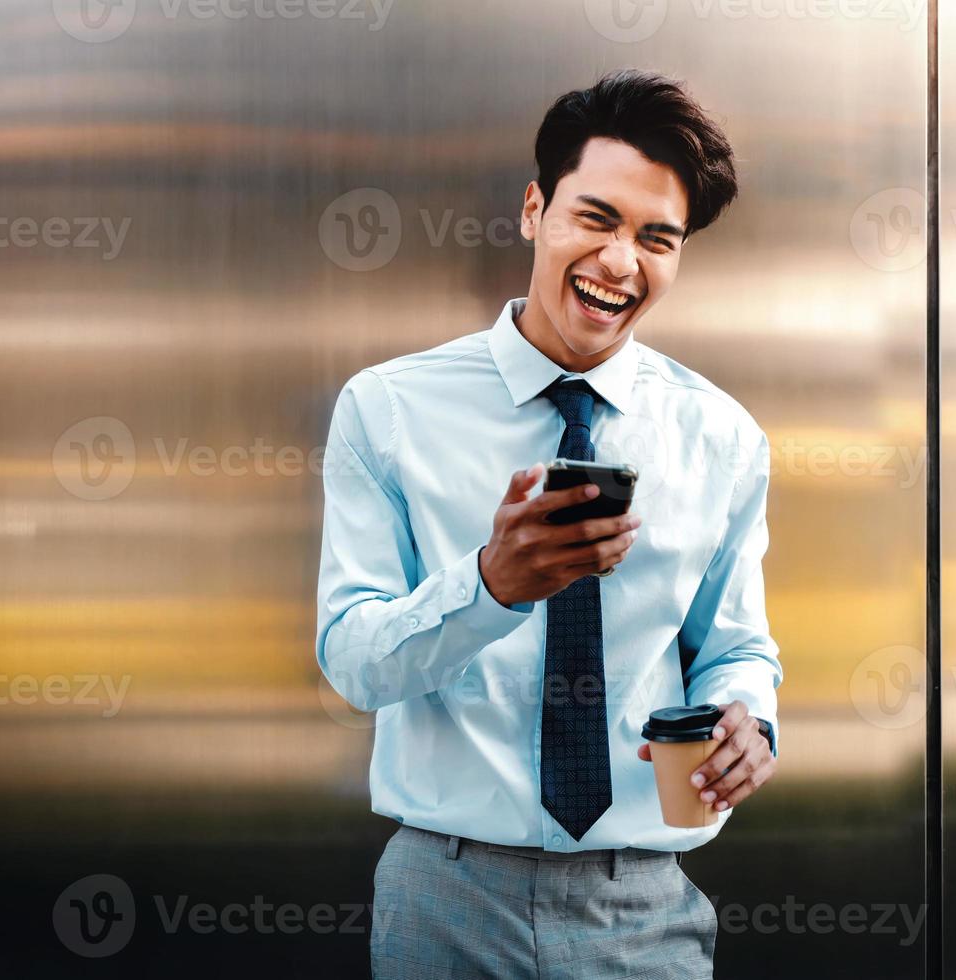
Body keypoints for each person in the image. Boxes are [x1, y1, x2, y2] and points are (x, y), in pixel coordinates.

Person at [314, 68, 782, 979]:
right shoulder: (387, 409)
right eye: (596, 219)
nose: (620, 264)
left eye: (657, 238)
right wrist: (491, 586)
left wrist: (750, 723)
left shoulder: (721, 436)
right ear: (535, 209)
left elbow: (736, 648)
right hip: (445, 900)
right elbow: (352, 663)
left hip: (645, 906)